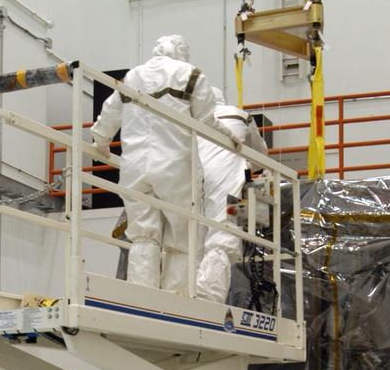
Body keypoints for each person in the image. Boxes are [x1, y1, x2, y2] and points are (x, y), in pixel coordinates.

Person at [91, 34, 219, 296]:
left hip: (135, 167)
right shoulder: (191, 75)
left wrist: (100, 141)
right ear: (181, 52)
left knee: (143, 236)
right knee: (182, 238)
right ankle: (177, 301)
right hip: (175, 167)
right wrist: (233, 140)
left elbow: (110, 112)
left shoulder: (132, 76)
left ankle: (143, 297)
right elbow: (208, 124)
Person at [195, 88, 269, 304]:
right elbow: (261, 153)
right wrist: (245, 165)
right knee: (222, 236)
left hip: (192, 176)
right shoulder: (239, 115)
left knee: (195, 234)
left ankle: (190, 288)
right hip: (223, 180)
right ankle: (208, 298)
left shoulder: (194, 115)